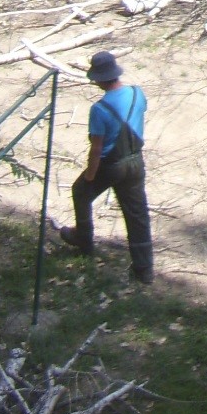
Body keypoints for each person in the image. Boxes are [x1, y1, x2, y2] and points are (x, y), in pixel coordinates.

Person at [58, 50, 153, 283]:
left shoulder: (99, 109)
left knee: (81, 192)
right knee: (137, 215)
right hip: (136, 161)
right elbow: (138, 115)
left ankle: (84, 241)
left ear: (100, 79)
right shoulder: (137, 94)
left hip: (111, 165)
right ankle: (144, 271)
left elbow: (97, 149)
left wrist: (91, 175)